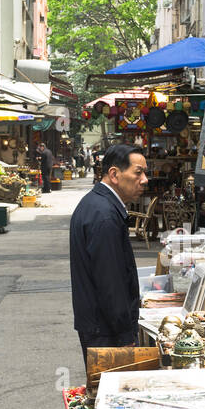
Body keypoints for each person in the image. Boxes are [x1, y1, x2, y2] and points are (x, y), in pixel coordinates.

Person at [70, 143, 148, 367]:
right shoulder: (104, 215)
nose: (144, 180)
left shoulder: (100, 205)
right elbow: (110, 281)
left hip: (99, 324)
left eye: (145, 172)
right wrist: (125, 335)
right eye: (138, 172)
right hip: (105, 330)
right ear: (114, 174)